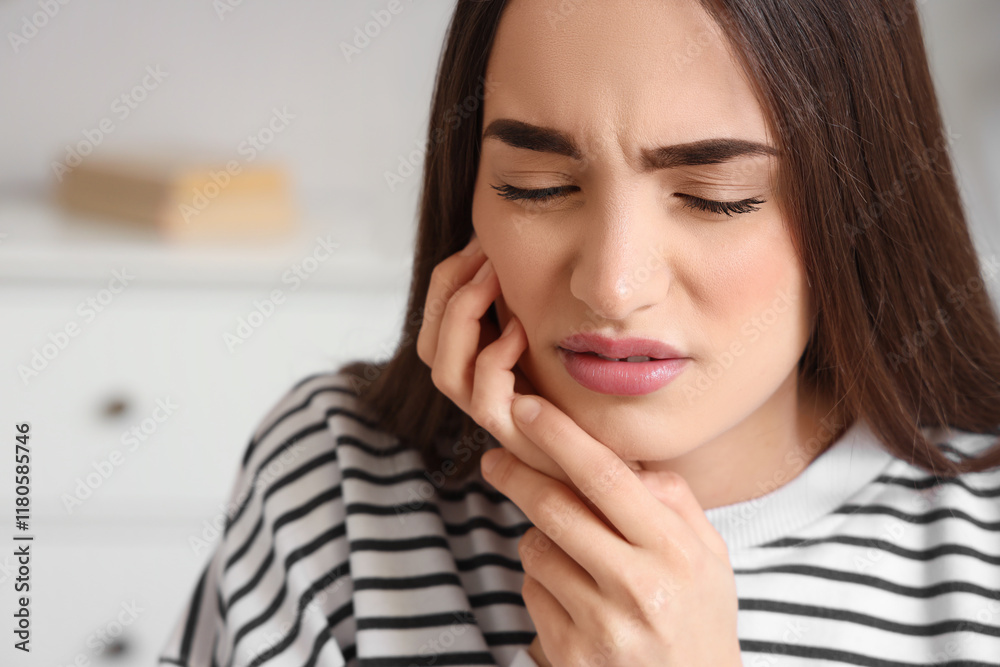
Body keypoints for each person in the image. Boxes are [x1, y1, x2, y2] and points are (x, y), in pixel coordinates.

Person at [158, 0, 1000, 665]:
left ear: (861, 208)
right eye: (537, 185)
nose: (612, 285)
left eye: (716, 197)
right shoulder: (333, 477)